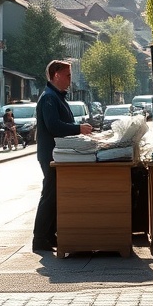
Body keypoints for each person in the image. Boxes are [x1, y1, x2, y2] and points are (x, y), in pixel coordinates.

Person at [32, 60, 92, 252]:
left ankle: (49, 235)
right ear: (56, 75)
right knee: (50, 194)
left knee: (54, 194)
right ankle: (40, 238)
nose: (70, 80)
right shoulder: (49, 98)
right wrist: (78, 129)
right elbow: (54, 126)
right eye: (67, 75)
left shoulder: (55, 96)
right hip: (51, 155)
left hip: (58, 154)